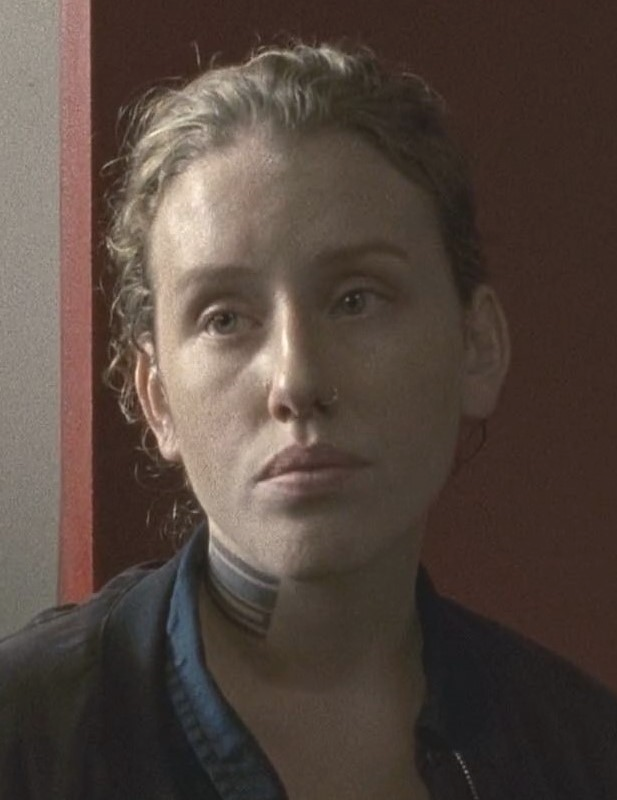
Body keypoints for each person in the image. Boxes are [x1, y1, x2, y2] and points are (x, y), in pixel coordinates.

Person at [1, 40, 616, 800]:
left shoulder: (581, 754)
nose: (296, 381)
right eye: (224, 319)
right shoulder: (25, 742)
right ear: (157, 398)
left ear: (476, 347)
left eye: (355, 300)